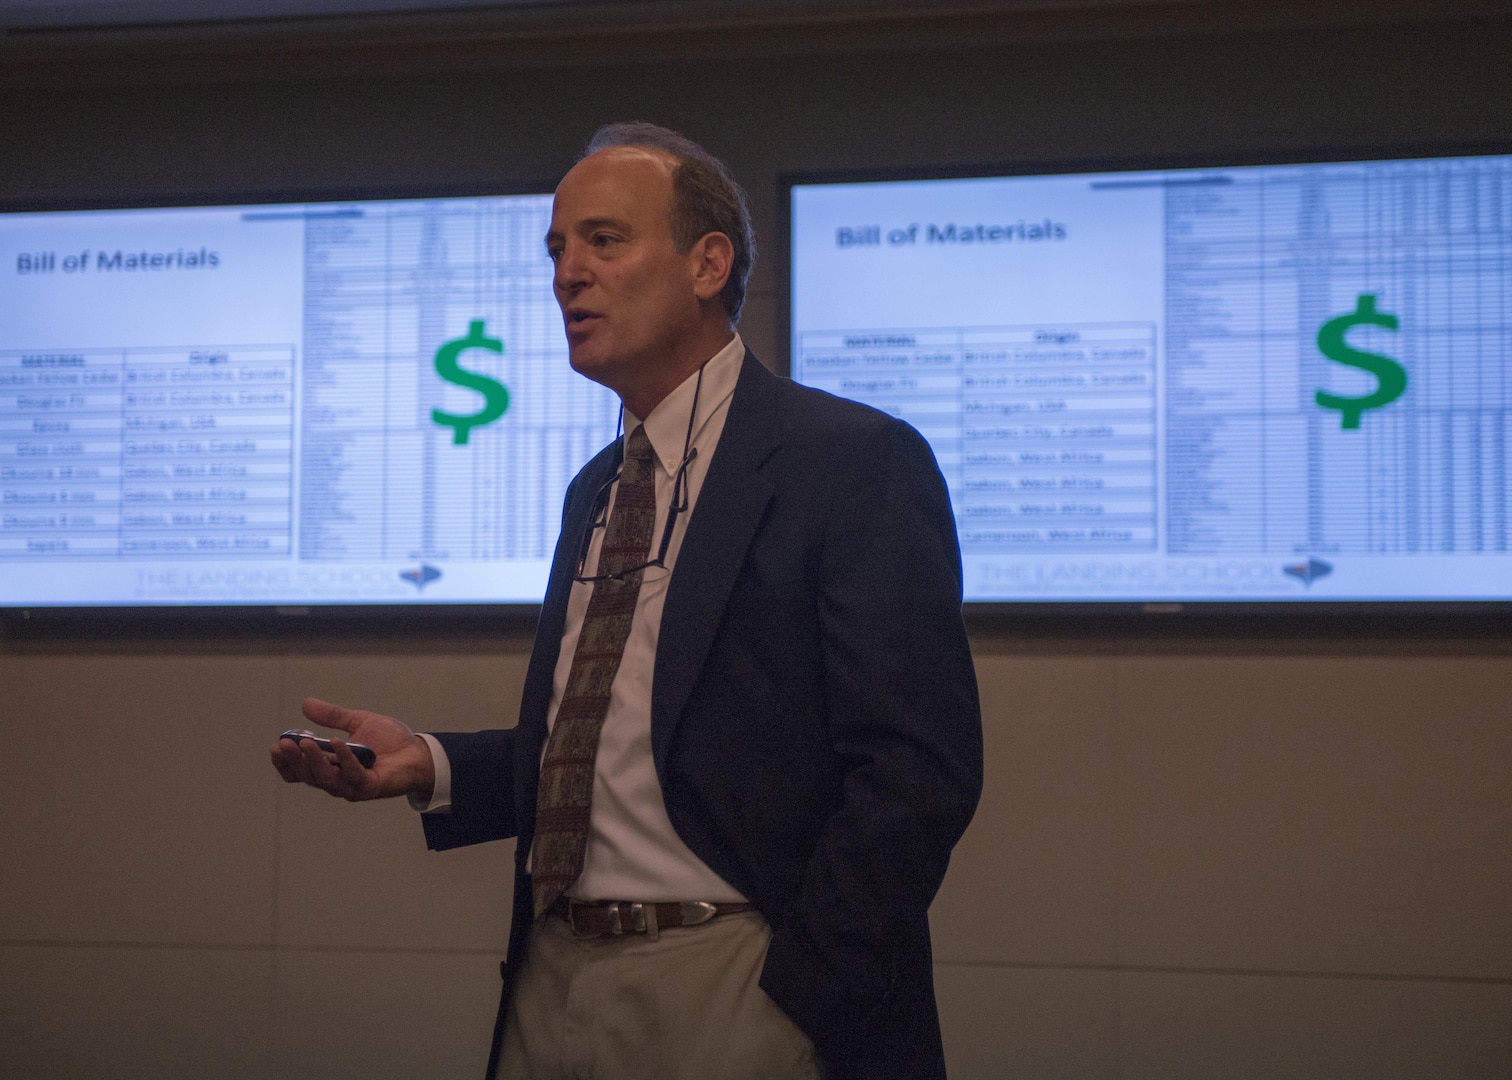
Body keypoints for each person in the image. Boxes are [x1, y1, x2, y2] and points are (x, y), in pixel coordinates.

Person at [271, 122, 983, 1080]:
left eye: (604, 241)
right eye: (558, 248)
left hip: (736, 981)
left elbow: (916, 771)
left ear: (708, 263)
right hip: (551, 977)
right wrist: (432, 765)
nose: (568, 273)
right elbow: (625, 747)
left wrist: (801, 994)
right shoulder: (599, 486)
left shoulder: (849, 463)